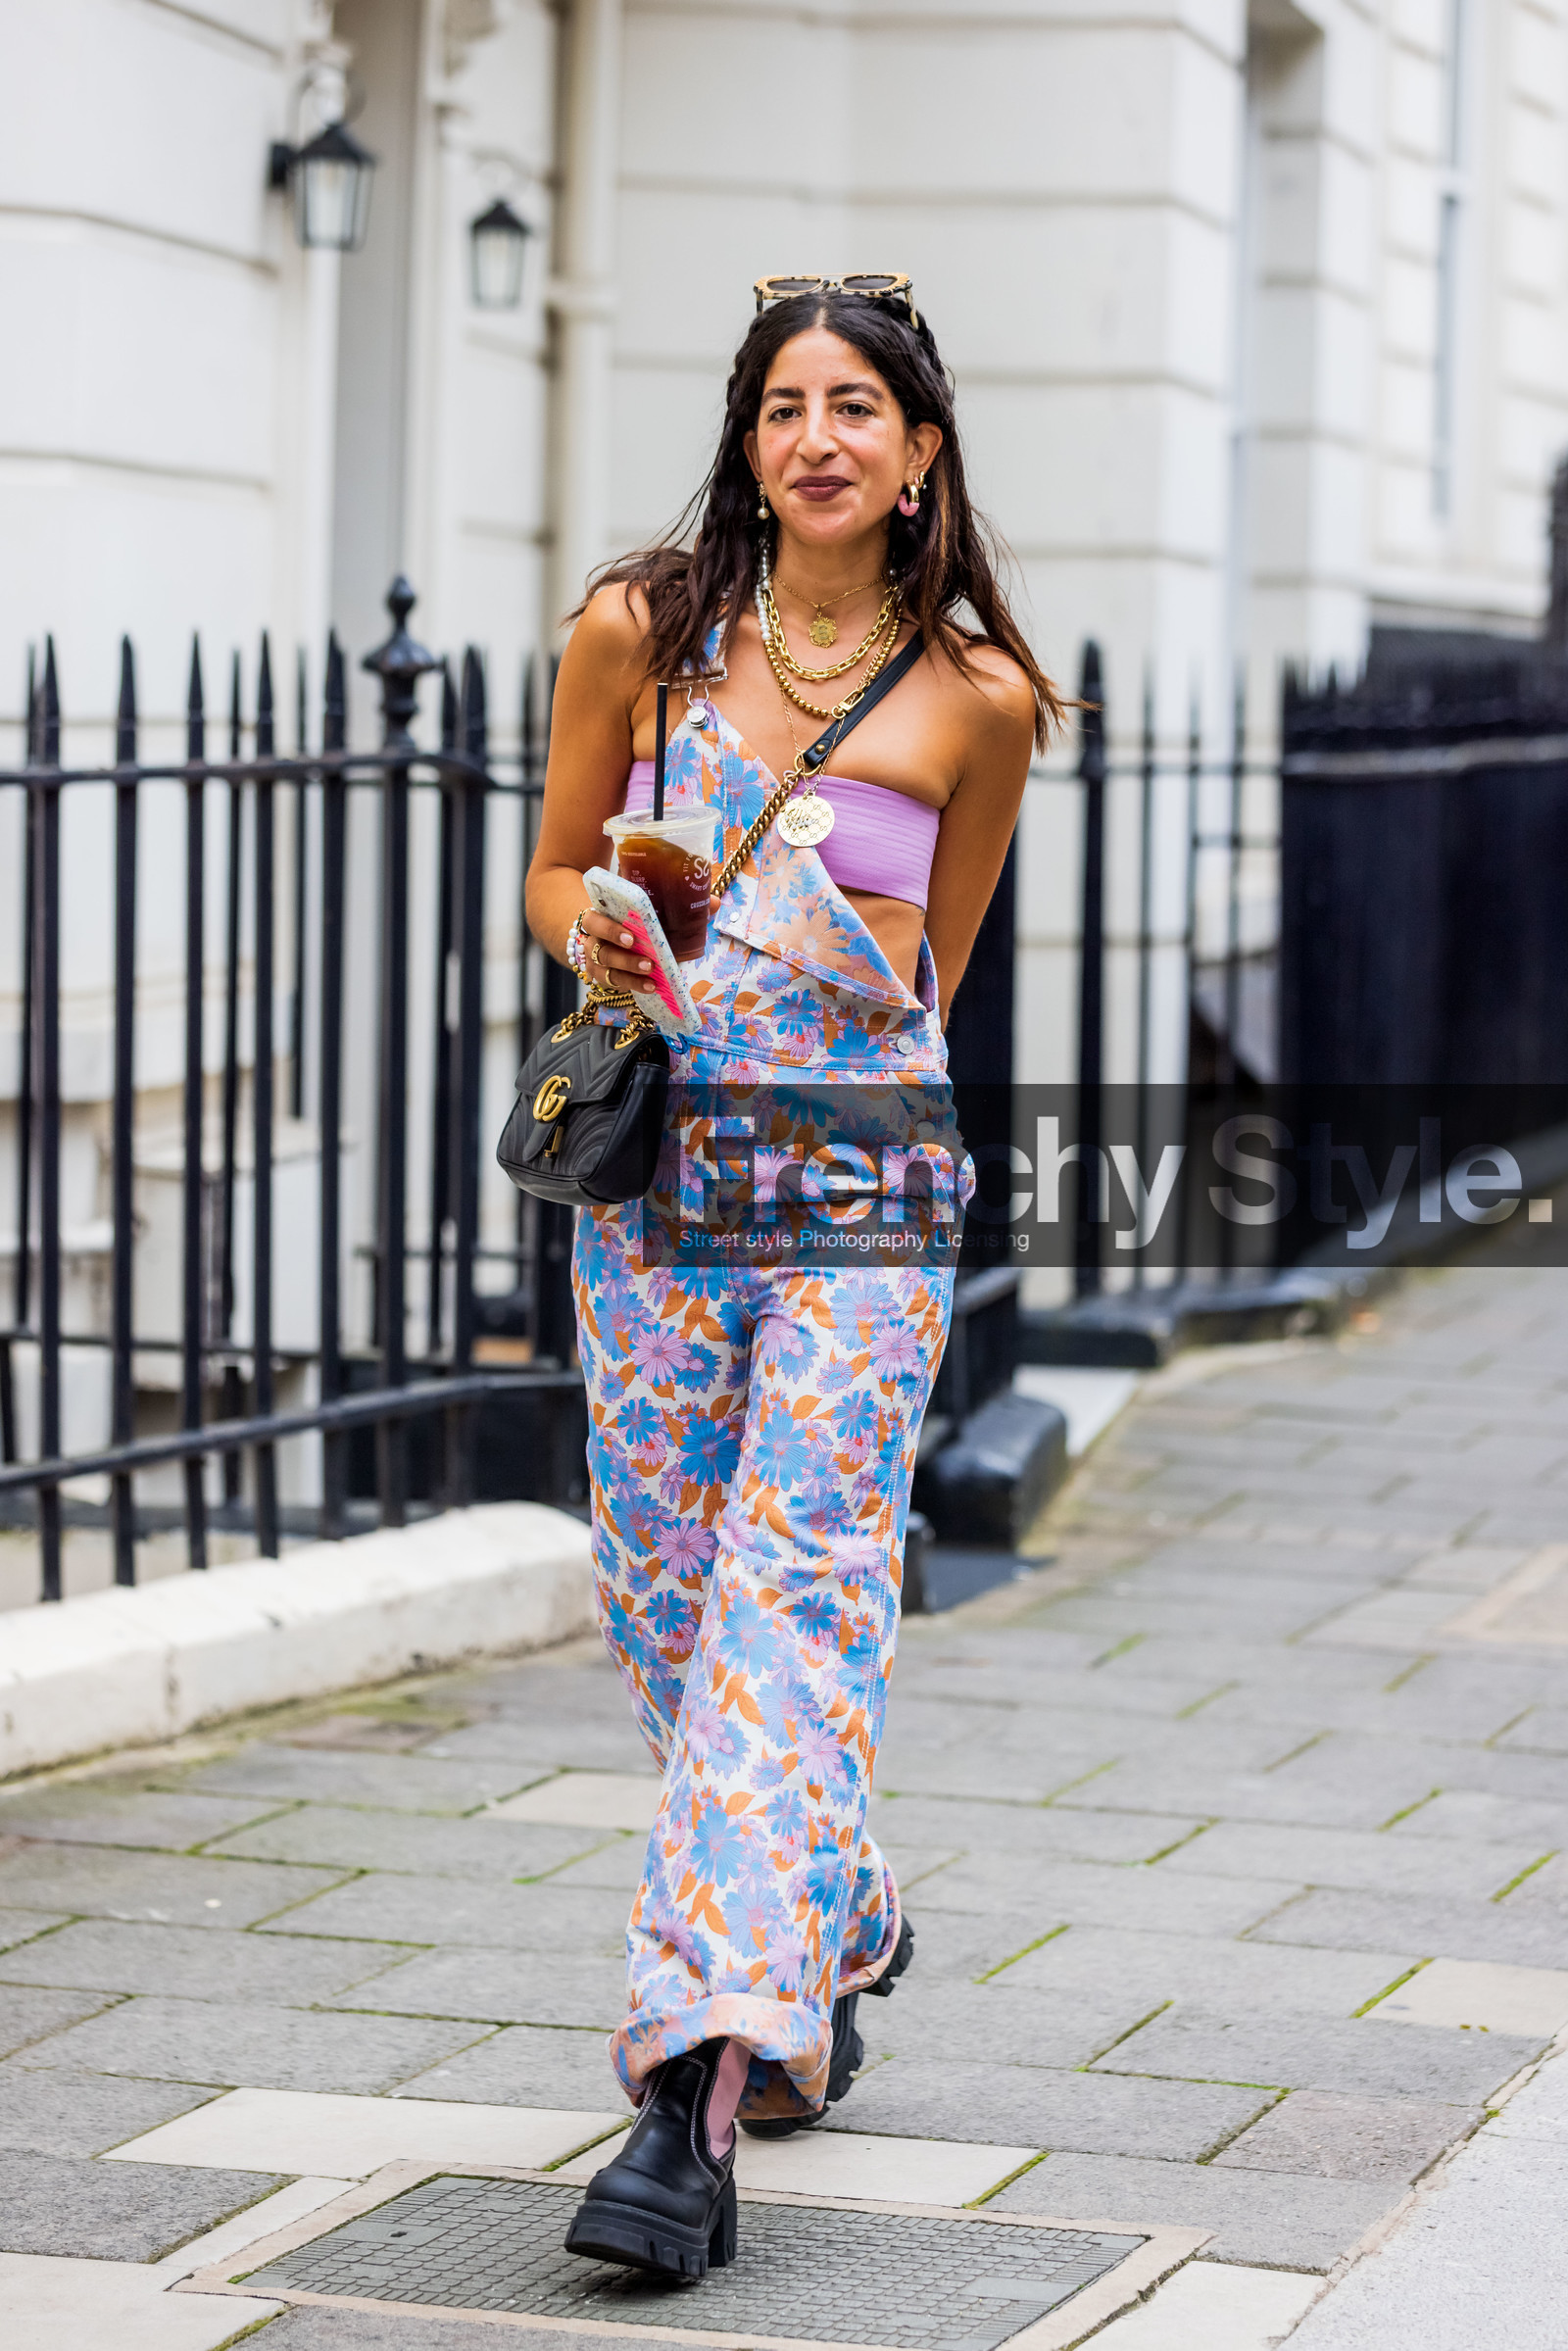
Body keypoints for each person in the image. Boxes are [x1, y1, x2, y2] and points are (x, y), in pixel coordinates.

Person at [525, 273, 1063, 2281]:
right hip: (658, 1182)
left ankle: (691, 2087)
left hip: (855, 1197)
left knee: (791, 1593)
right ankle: (831, 1914)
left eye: (854, 406)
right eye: (779, 407)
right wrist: (592, 923)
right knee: (666, 1592)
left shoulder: (977, 699)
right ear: (747, 441)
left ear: (917, 450)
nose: (814, 437)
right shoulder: (635, 636)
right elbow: (552, 863)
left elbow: (930, 976)